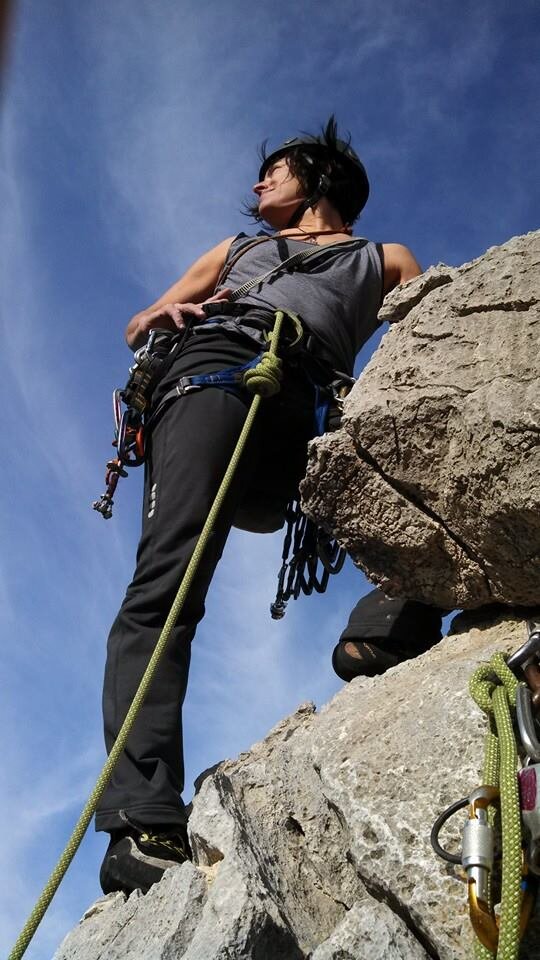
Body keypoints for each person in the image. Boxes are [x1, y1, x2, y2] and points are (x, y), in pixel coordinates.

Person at [97, 117, 423, 896]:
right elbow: (140, 320)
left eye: (274, 171)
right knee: (167, 585)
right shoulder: (233, 252)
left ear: (318, 180)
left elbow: (425, 342)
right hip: (210, 374)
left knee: (419, 475)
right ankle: (139, 823)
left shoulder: (384, 259)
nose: (257, 185)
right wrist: (159, 319)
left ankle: (386, 628)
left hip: (309, 398)